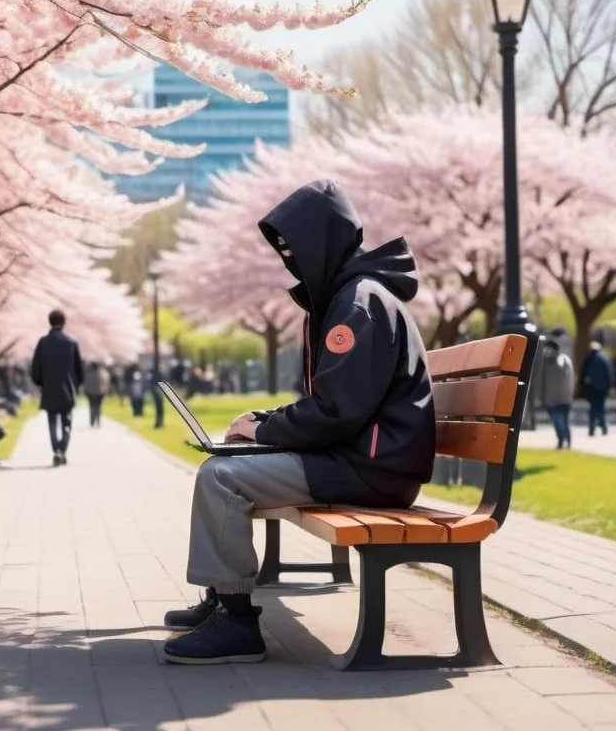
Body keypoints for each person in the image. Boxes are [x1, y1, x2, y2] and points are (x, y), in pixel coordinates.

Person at [163, 179, 435, 666]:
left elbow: (336, 411)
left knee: (221, 476)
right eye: (281, 248)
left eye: (294, 246)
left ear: (324, 240)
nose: (288, 257)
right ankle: (223, 598)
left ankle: (238, 623)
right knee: (233, 462)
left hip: (372, 470)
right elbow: (337, 402)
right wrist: (264, 422)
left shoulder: (358, 305)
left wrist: (265, 431)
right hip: (361, 458)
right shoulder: (348, 296)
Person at [30, 309, 84, 466]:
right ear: (64, 322)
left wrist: (41, 383)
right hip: (67, 389)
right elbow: (79, 369)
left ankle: (56, 451)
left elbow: (35, 368)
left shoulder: (43, 342)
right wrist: (76, 385)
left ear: (49, 321)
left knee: (52, 422)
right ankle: (63, 449)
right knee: (67, 421)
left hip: (49, 388)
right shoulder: (71, 343)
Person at [541, 338, 575, 449]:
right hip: (551, 399)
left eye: (548, 349)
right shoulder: (545, 362)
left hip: (561, 399)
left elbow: (562, 369)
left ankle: (564, 441)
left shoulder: (561, 360)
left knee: (560, 421)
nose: (546, 351)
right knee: (560, 422)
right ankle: (565, 441)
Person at [580, 340, 614, 436]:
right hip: (602, 388)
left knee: (593, 408)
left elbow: (583, 374)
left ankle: (592, 427)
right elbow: (609, 373)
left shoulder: (588, 358)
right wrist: (610, 386)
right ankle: (603, 427)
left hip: (592, 388)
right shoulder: (604, 358)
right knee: (601, 407)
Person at [83, 360, 110, 428]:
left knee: (92, 406)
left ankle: (92, 420)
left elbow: (85, 383)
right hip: (99, 393)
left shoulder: (88, 373)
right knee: (98, 407)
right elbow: (106, 382)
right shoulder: (102, 372)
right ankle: (97, 420)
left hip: (90, 392)